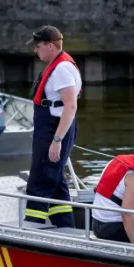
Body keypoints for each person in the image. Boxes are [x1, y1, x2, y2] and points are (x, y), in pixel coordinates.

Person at [24, 25, 81, 228]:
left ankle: (31, 229)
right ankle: (65, 227)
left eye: (38, 46)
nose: (35, 50)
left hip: (54, 129)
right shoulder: (58, 65)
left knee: (40, 180)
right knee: (55, 181)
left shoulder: (62, 69)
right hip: (51, 128)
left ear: (50, 46)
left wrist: (57, 140)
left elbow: (70, 105)